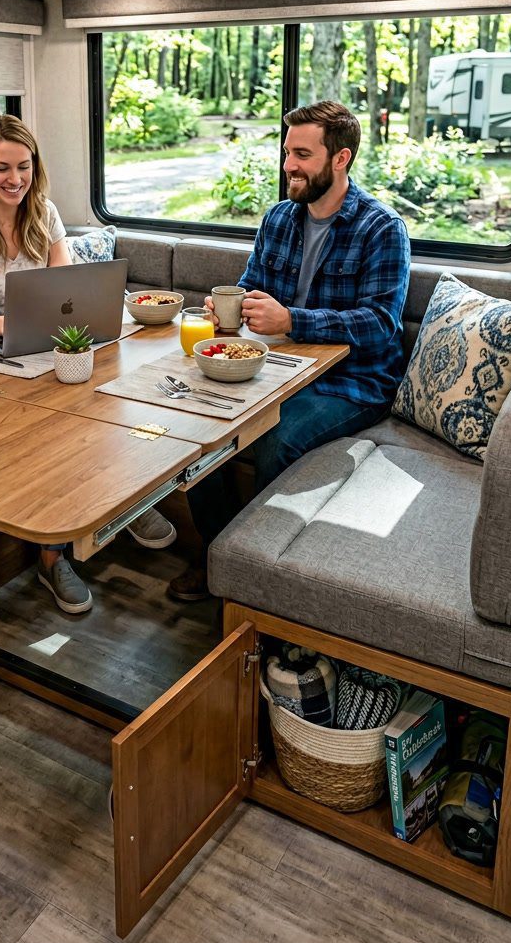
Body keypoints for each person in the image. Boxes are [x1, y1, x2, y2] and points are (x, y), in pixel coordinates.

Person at [0, 115, 175, 615]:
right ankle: (50, 558)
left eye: (23, 166)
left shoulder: (44, 214)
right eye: (2, 168)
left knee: (105, 403)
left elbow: (63, 291)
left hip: (34, 347)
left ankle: (123, 503)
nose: (14, 179)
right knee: (47, 433)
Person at [168, 99, 411, 601]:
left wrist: (292, 320)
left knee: (278, 439)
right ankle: (220, 554)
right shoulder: (279, 218)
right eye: (286, 152)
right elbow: (250, 285)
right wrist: (226, 306)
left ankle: (255, 581)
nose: (288, 166)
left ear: (340, 159)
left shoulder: (382, 228)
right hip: (276, 367)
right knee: (197, 422)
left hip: (354, 382)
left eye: (302, 154)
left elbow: (382, 323)